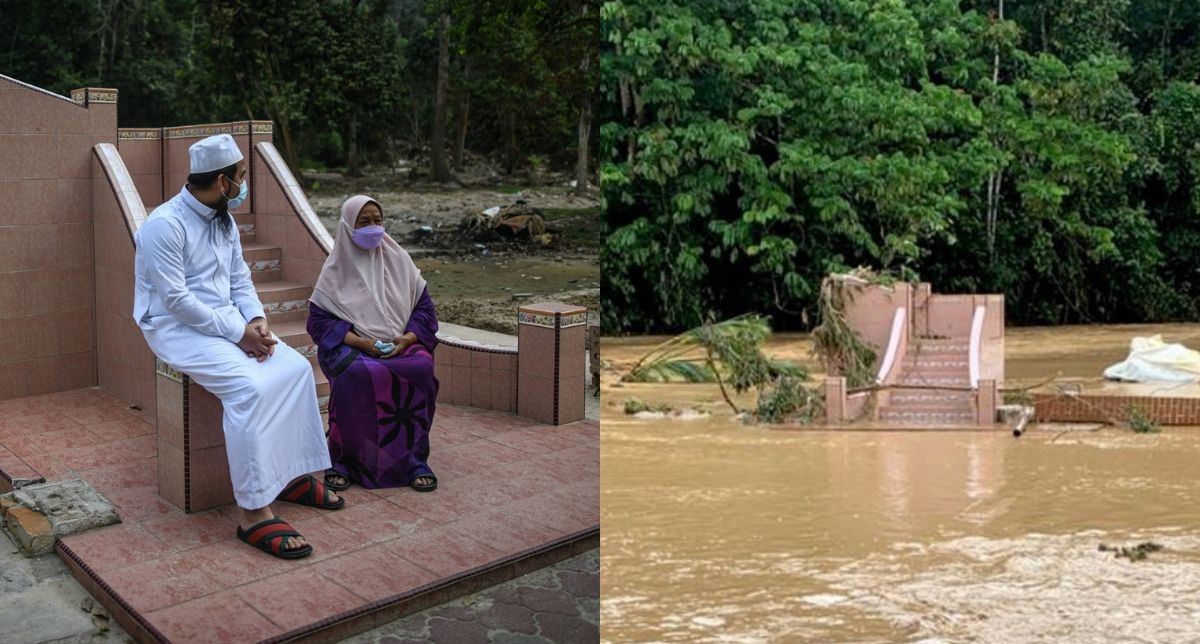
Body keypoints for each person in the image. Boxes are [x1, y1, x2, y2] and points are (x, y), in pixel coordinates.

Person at [134, 134, 342, 560]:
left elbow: (239, 279)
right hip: (174, 328)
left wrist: (257, 320)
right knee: (249, 388)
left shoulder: (222, 217)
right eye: (241, 177)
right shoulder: (163, 226)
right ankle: (253, 514)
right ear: (222, 181)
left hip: (227, 322)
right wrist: (238, 334)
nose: (245, 185)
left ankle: (291, 478)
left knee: (296, 370)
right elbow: (176, 301)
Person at [307, 195, 440, 493]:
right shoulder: (335, 270)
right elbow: (318, 323)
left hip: (401, 342)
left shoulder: (400, 259)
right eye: (364, 222)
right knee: (356, 374)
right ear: (347, 227)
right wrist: (362, 342)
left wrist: (407, 338)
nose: (373, 228)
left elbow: (425, 311)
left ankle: (414, 461)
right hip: (355, 346)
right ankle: (345, 462)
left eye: (377, 221)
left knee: (420, 366)